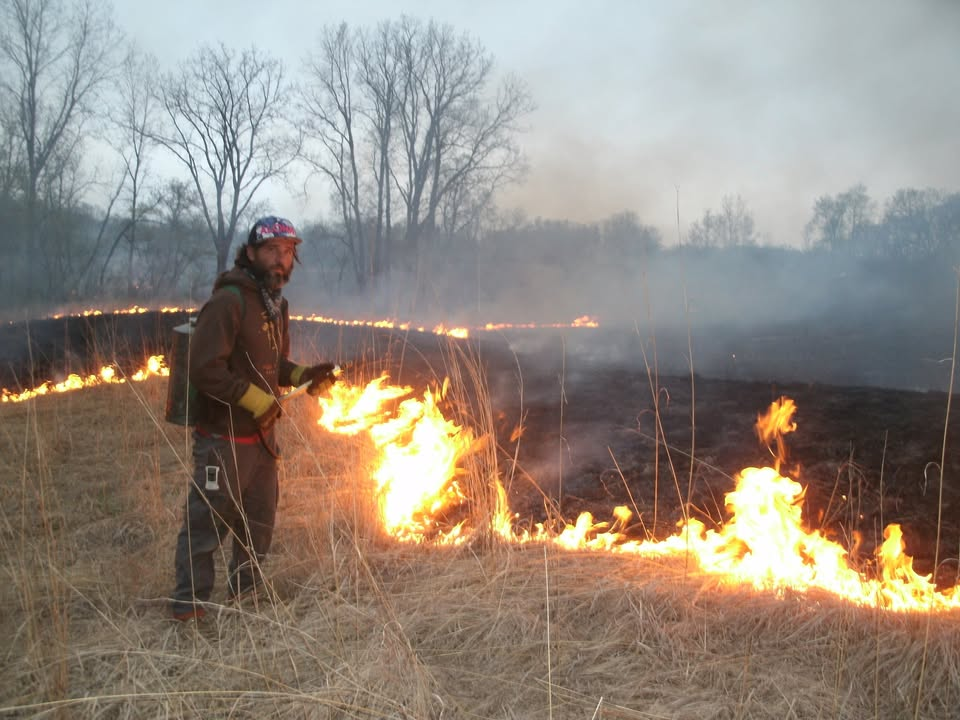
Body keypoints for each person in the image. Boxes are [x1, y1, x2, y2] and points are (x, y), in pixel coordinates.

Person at [171, 215, 336, 622]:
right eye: (272, 251)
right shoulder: (230, 301)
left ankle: (246, 601)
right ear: (250, 253)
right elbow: (204, 367)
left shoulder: (275, 305)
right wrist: (252, 399)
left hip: (262, 442)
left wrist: (304, 377)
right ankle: (190, 609)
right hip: (223, 440)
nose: (281, 260)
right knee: (207, 523)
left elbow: (271, 365)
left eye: (288, 252)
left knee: (258, 525)